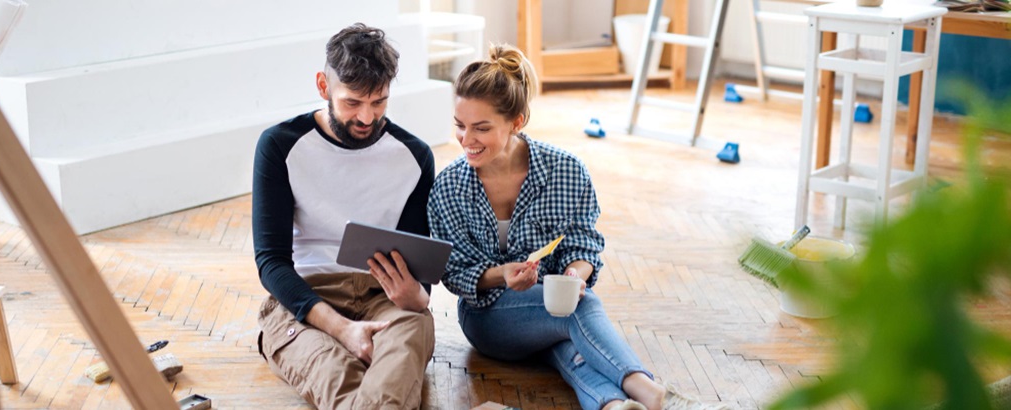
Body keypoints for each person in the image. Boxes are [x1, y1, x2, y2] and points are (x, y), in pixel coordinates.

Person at [427, 44, 729, 410]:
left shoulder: (566, 171)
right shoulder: (449, 186)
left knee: (571, 348)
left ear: (517, 122)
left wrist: (575, 274)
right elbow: (453, 273)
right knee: (577, 312)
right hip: (487, 319)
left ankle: (614, 406)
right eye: (460, 126)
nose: (466, 140)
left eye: (481, 128)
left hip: (552, 311)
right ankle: (657, 396)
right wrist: (501, 275)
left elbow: (583, 244)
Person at [252, 23, 435, 410]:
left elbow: (417, 263)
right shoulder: (280, 146)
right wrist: (342, 330)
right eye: (352, 102)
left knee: (412, 330)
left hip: (383, 297)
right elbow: (271, 262)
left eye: (379, 102)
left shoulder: (415, 157)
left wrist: (416, 295)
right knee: (339, 377)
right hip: (304, 299)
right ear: (323, 86)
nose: (367, 118)